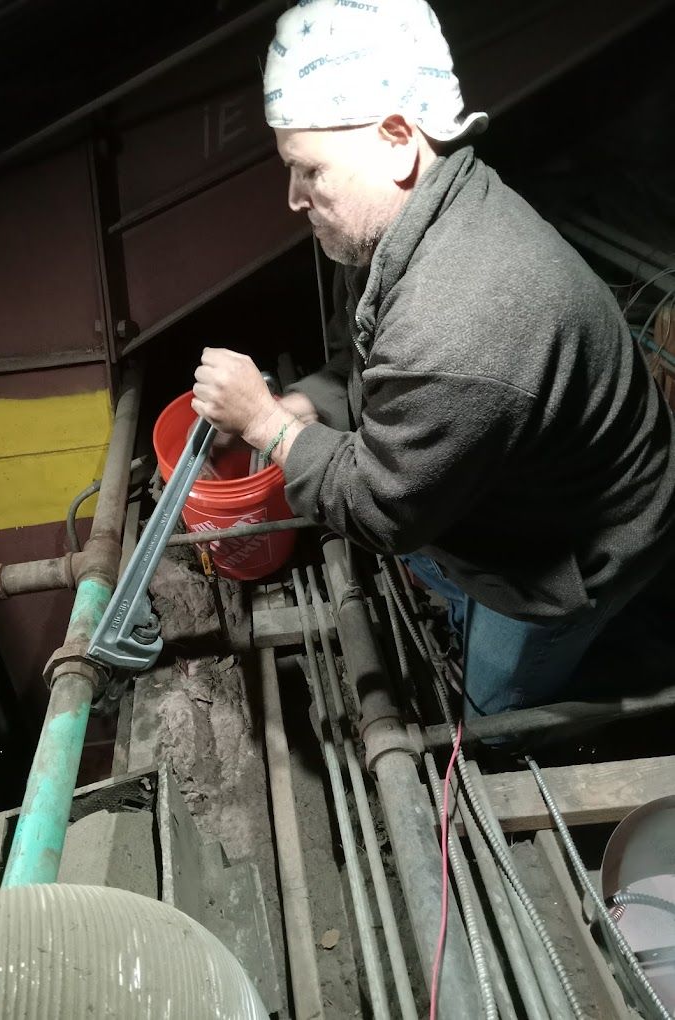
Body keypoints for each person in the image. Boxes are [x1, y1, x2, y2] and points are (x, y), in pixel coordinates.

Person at [191, 0, 675, 720]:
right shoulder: (428, 215)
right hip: (517, 498)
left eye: (309, 170)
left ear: (395, 140)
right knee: (438, 567)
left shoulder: (461, 315)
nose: (293, 197)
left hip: (564, 569)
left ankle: (512, 727)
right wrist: (306, 406)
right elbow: (383, 372)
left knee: (495, 705)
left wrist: (265, 424)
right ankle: (463, 602)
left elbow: (382, 512)